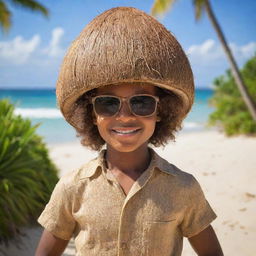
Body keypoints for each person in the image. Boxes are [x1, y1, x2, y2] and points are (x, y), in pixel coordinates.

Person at [35, 7, 223, 256]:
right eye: (108, 103)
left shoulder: (183, 188)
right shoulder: (72, 188)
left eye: (141, 102)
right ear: (92, 113)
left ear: (160, 110)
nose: (124, 116)